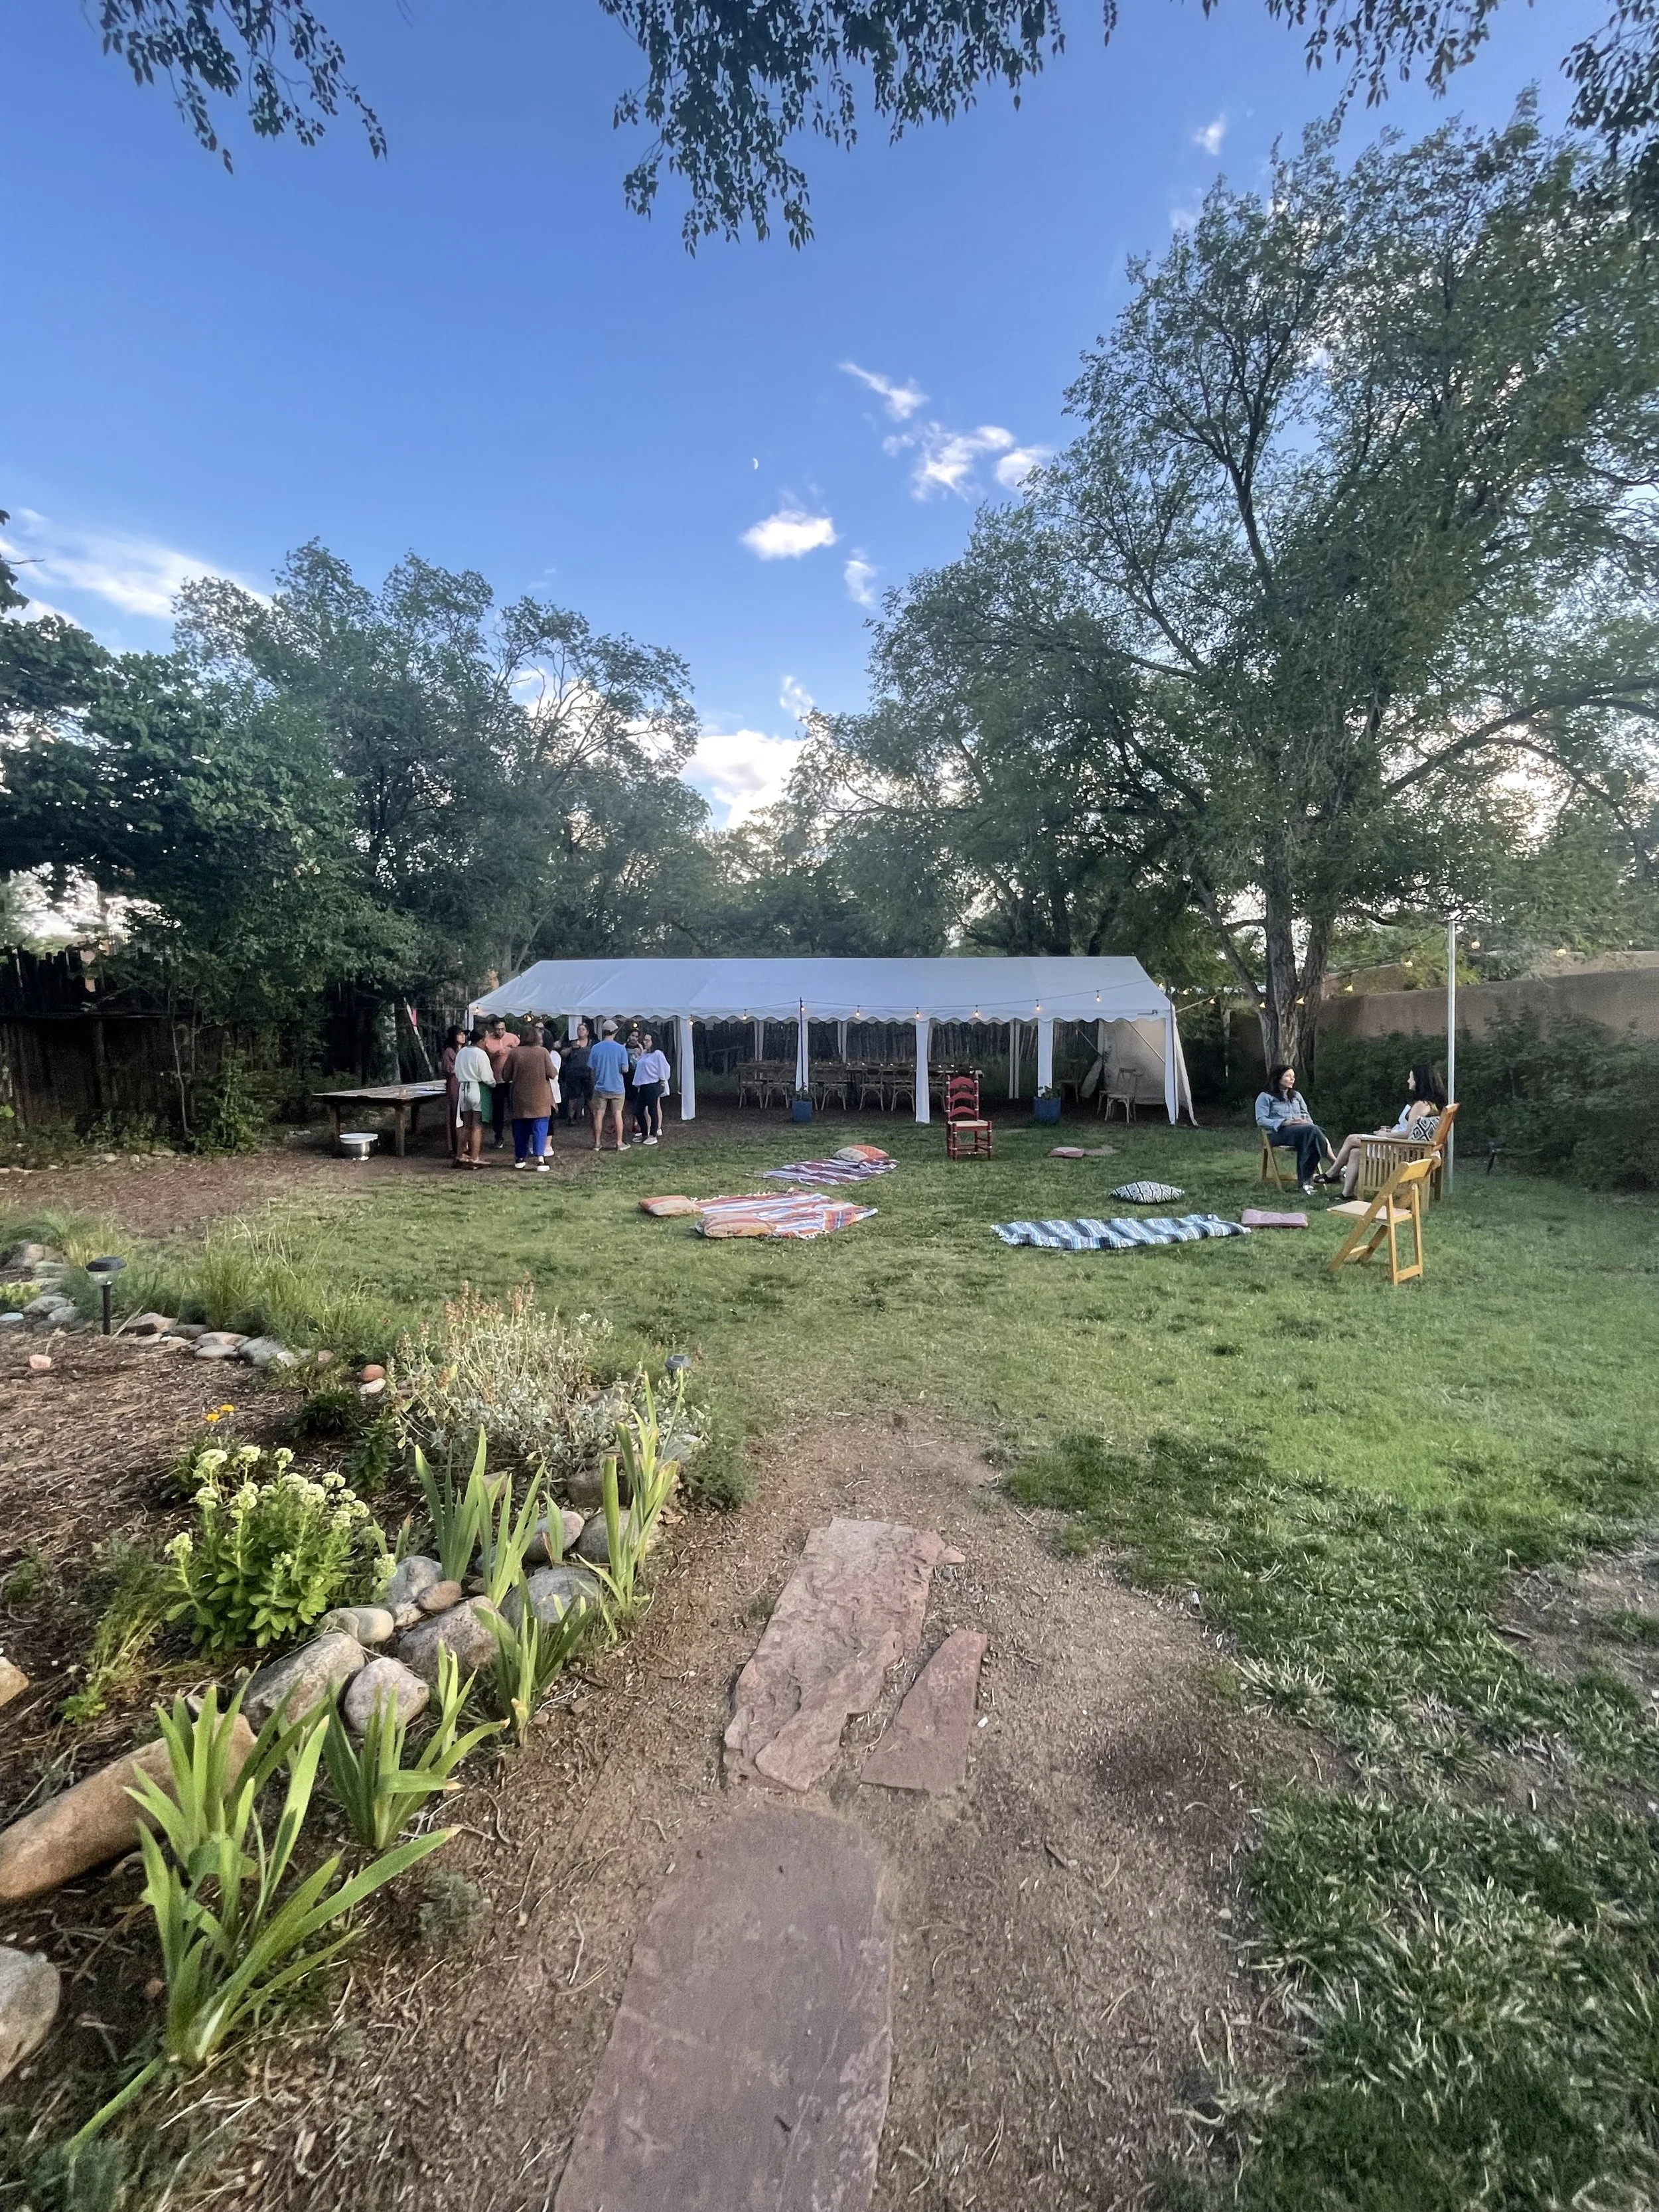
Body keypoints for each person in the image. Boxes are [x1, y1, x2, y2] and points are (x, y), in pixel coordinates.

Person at [1319, 1064, 1448, 1197]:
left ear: (1420, 1081)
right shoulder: (1429, 1104)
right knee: (1356, 1152)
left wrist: (1386, 1135)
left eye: (1411, 1078)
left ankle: (1333, 1173)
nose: (1408, 1081)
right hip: (1398, 1146)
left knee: (1351, 1139)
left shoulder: (1421, 1106)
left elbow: (1408, 1134)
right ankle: (1347, 1194)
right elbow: (1409, 1129)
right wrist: (1390, 1131)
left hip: (1399, 1150)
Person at [1255, 1063, 1334, 1192]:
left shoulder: (1297, 1096)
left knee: (1311, 1137)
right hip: (1278, 1133)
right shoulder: (1265, 1097)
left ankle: (1305, 1185)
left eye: (1293, 1076)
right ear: (1278, 1078)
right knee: (1313, 1131)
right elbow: (1261, 1120)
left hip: (1302, 1133)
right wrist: (1284, 1122)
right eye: (1288, 1076)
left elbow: (1306, 1116)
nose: (1292, 1079)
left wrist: (1304, 1122)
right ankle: (1335, 1164)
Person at [504, 1022, 561, 1172]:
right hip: (541, 1097)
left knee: (520, 1128)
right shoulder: (542, 1052)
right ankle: (540, 1159)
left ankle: (520, 1158)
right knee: (540, 1127)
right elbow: (552, 1074)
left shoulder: (514, 1053)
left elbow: (505, 1076)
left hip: (519, 1097)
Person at [452, 1029, 496, 1169]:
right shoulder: (480, 1054)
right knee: (477, 1125)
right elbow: (486, 1076)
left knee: (466, 1125)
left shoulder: (462, 1052)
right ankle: (475, 1157)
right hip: (477, 1088)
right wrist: (493, 1083)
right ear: (482, 1040)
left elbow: (457, 1071)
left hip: (463, 1088)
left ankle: (460, 1155)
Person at [587, 1019, 630, 1152]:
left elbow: (591, 1068)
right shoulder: (621, 1049)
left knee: (598, 1114)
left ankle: (597, 1143)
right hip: (617, 1087)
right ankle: (619, 1143)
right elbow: (625, 1069)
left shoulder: (595, 1048)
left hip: (600, 1086)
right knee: (617, 1113)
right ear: (614, 1032)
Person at [482, 1017, 520, 1151]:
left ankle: (518, 1136)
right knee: (498, 1110)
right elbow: (483, 1059)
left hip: (511, 1080)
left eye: (502, 1029)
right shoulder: (487, 1041)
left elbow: (521, 1054)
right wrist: (495, 1056)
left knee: (514, 1108)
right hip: (496, 1080)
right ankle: (498, 1136)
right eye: (498, 1029)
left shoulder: (513, 1039)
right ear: (494, 1029)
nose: (500, 1032)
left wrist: (514, 1050)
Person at [630, 1029, 671, 1146]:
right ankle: (644, 1133)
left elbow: (665, 1068)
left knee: (652, 1110)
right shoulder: (646, 1054)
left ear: (654, 1041)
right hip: (643, 1086)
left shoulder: (658, 1054)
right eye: (645, 1040)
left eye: (648, 1040)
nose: (645, 1042)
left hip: (653, 1084)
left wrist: (662, 1080)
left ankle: (653, 1134)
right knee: (638, 1110)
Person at [439, 1023, 468, 1160]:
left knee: (465, 1115)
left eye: (464, 1034)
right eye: (460, 1034)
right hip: (455, 1084)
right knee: (454, 1114)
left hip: (465, 1084)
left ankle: (464, 1145)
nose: (463, 1036)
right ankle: (453, 1147)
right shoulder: (449, 1052)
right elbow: (448, 1069)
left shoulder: (465, 1050)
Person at [561, 1023, 593, 1125]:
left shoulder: (592, 1044)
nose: (581, 1031)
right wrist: (571, 1048)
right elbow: (562, 1054)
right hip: (574, 1075)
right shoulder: (572, 1043)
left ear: (587, 1032)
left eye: (583, 1029)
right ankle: (571, 1118)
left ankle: (594, 1117)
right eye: (579, 1029)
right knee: (573, 1098)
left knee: (590, 1098)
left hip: (588, 1074)